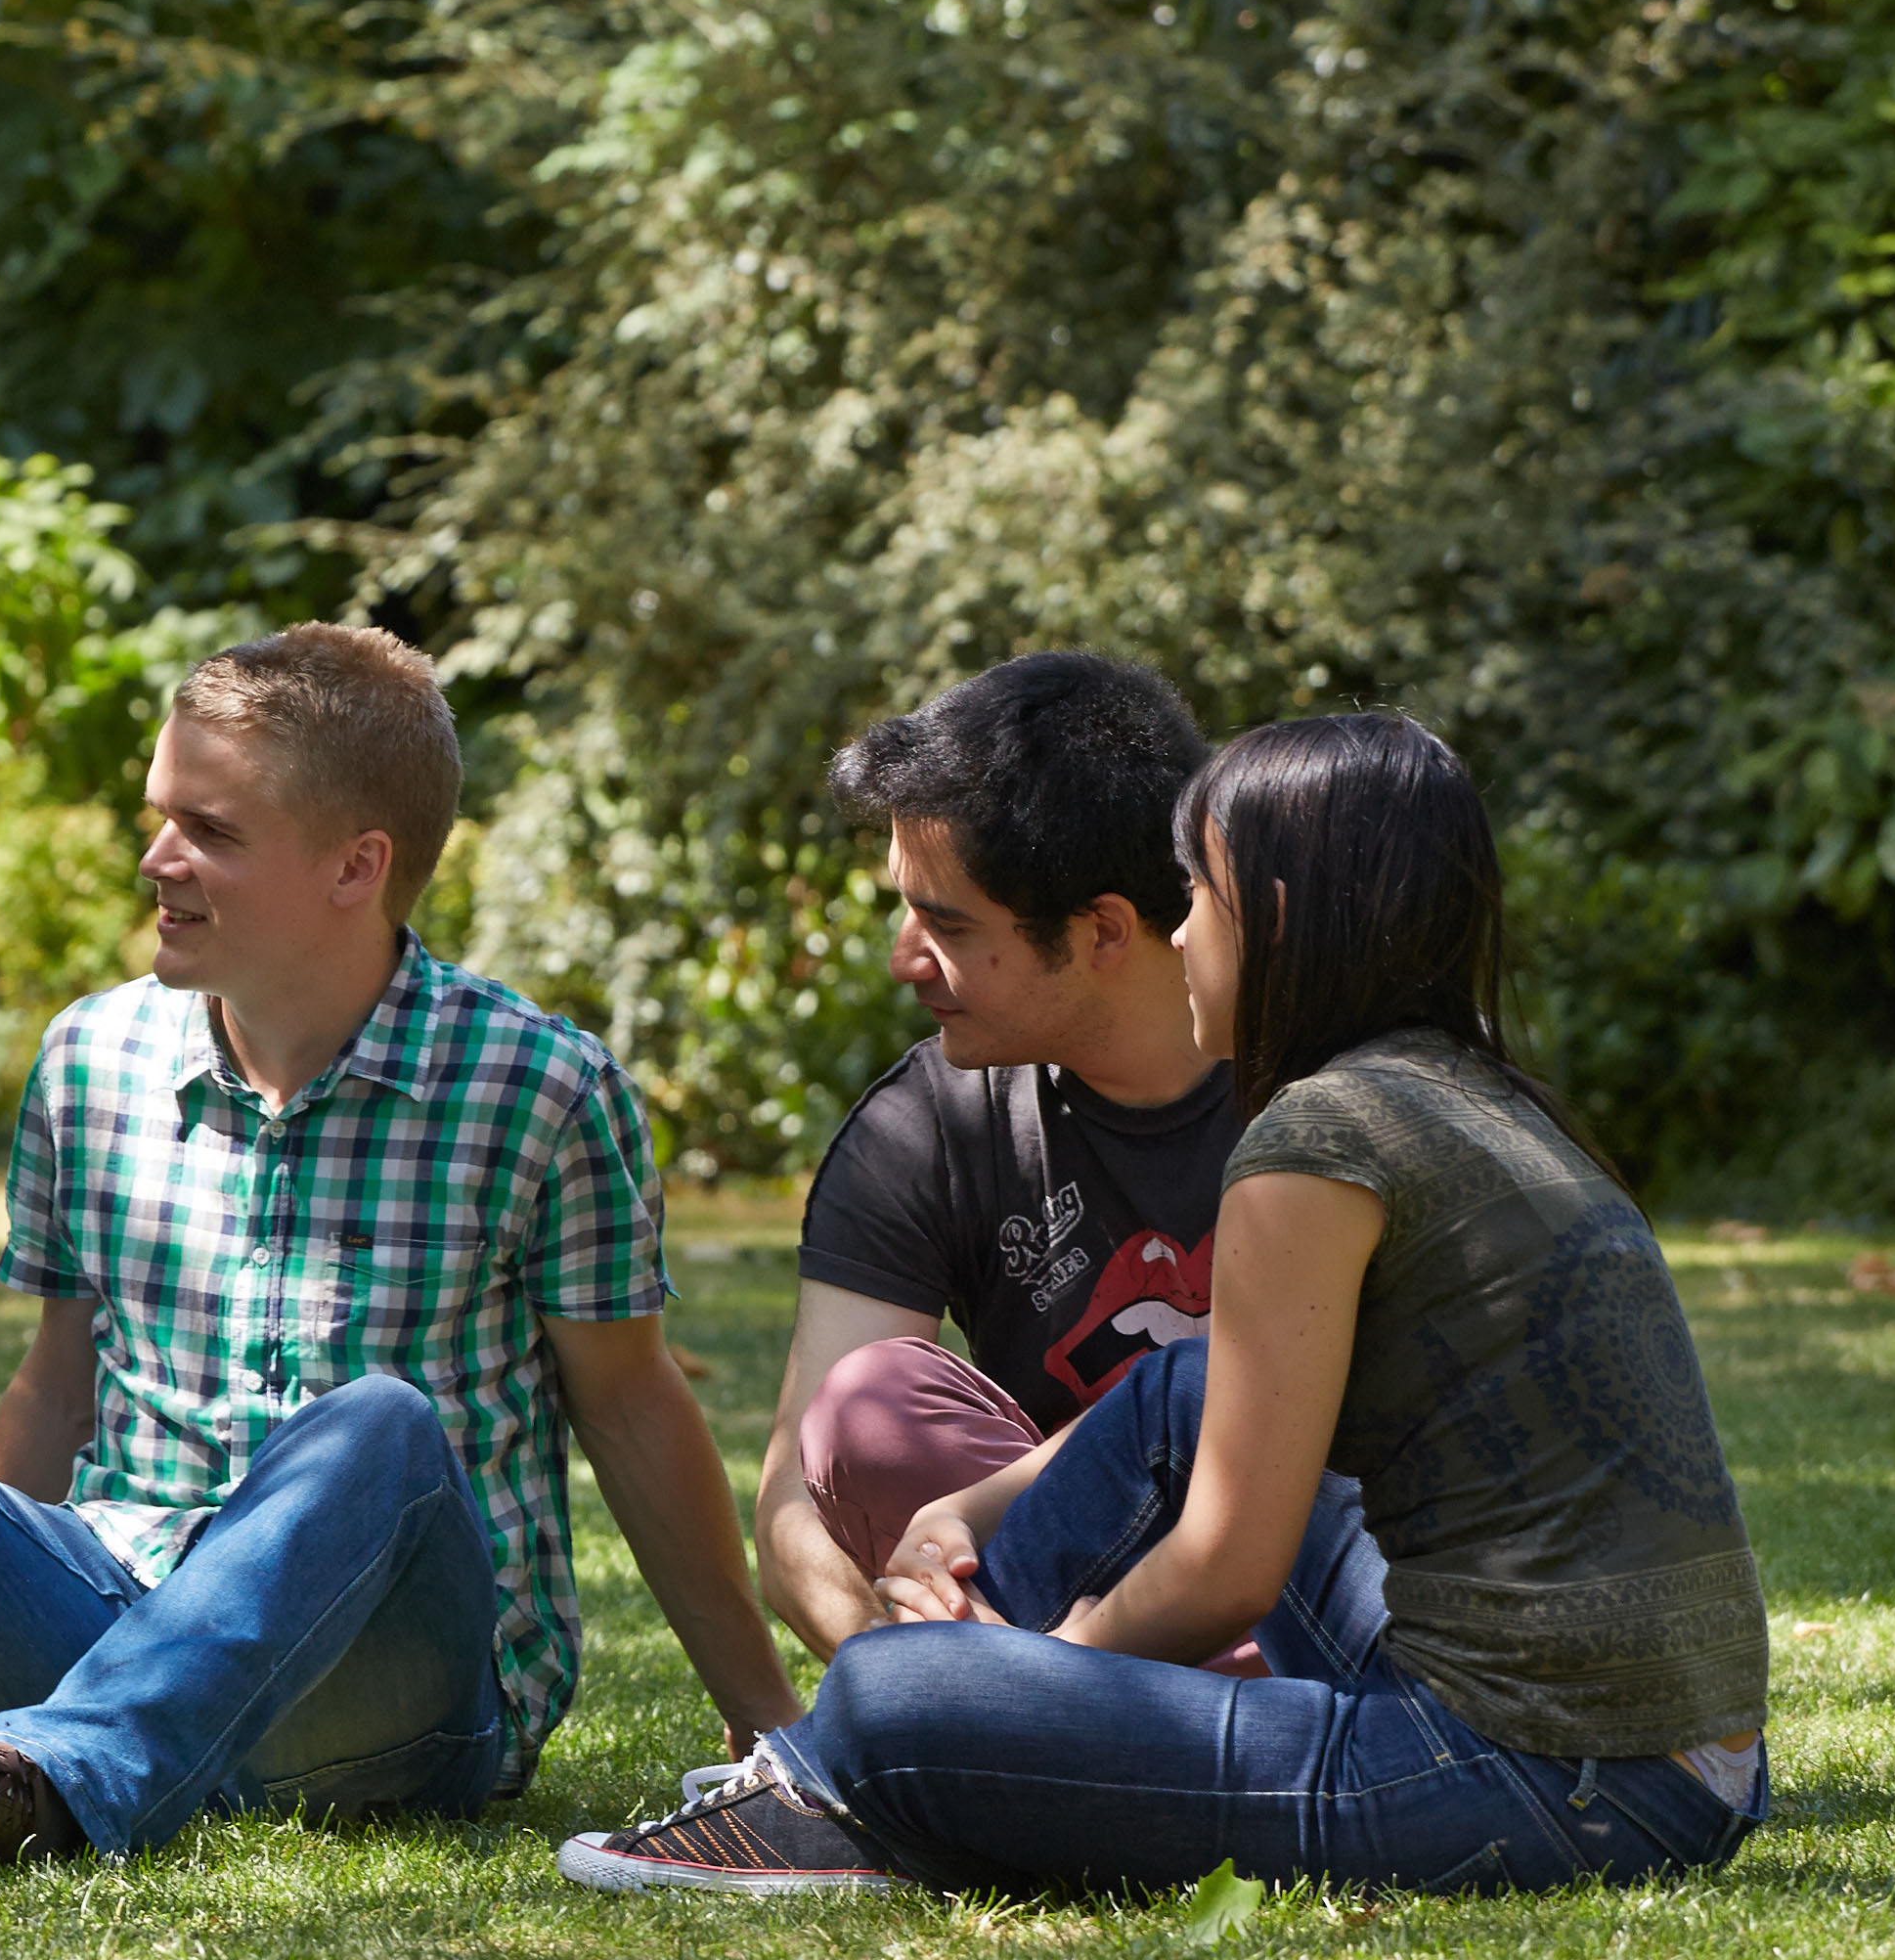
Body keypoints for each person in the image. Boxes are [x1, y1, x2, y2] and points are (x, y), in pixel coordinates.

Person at [0, 626, 805, 1870]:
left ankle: (53, 1775)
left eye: (211, 832)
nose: (157, 857)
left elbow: (632, 1408)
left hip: (395, 1686)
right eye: (161, 814)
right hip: (107, 1615)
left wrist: (769, 1726)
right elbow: (56, 1384)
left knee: (381, 1430)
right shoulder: (93, 1059)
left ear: (355, 867)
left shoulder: (539, 1087)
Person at [560, 711, 1770, 1897]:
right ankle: (863, 1766)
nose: (1178, 936)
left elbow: (1228, 1568)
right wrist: (970, 1508)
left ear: (1283, 922)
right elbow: (1196, 1403)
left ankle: (845, 1781)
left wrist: (1024, 1701)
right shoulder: (1470, 1094)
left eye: (1198, 899)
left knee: (899, 1693)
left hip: (1546, 1777)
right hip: (1691, 1764)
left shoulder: (1315, 1137)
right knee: (1181, 1395)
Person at [758, 652, 1244, 1663]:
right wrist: (905, 1683)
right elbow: (795, 1518)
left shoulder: (1324, 1088)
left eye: (944, 922)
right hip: (1051, 1590)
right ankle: (1053, 1718)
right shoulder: (923, 1124)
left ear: (1103, 929)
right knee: (870, 1404)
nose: (902, 957)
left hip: (1295, 1577)